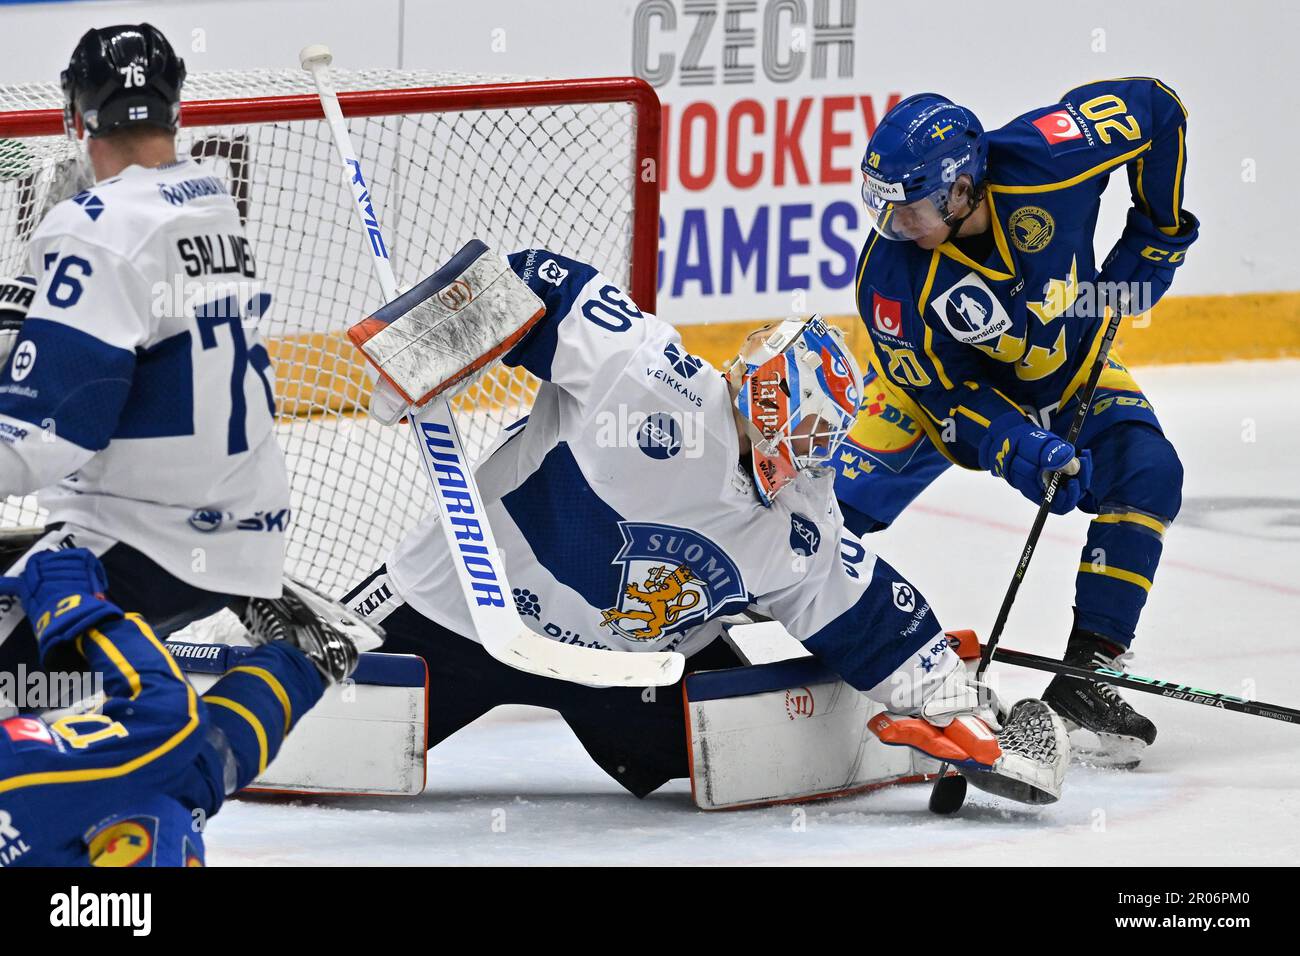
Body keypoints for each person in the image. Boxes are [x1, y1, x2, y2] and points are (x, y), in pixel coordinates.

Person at [343, 245, 1067, 805]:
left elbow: (871, 618)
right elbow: (539, 279)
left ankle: (910, 744)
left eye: (826, 442)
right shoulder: (648, 376)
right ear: (768, 400)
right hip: (458, 611)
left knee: (744, 762)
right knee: (301, 738)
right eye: (807, 435)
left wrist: (956, 708)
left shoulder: (801, 521)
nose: (813, 461)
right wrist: (437, 336)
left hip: (626, 676)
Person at [838, 79, 1197, 766]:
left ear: (962, 188)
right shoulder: (890, 280)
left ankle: (1089, 673)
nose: (893, 227)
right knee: (827, 511)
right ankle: (713, 640)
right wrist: (1018, 446)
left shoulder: (1048, 158)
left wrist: (1159, 229)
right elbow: (947, 400)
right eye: (883, 207)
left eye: (909, 209)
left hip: (1067, 371)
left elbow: (1156, 106)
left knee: (1149, 473)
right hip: (931, 400)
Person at [0, 23, 289, 674]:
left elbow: (38, 440)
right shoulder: (212, 204)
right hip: (246, 531)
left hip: (139, 544)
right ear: (174, 109)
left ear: (78, 115)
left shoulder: (93, 229)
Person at [0, 548, 376, 867]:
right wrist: (79, 613)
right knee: (171, 769)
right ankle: (301, 660)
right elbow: (166, 719)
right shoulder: (21, 774)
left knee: (175, 773)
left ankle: (303, 661)